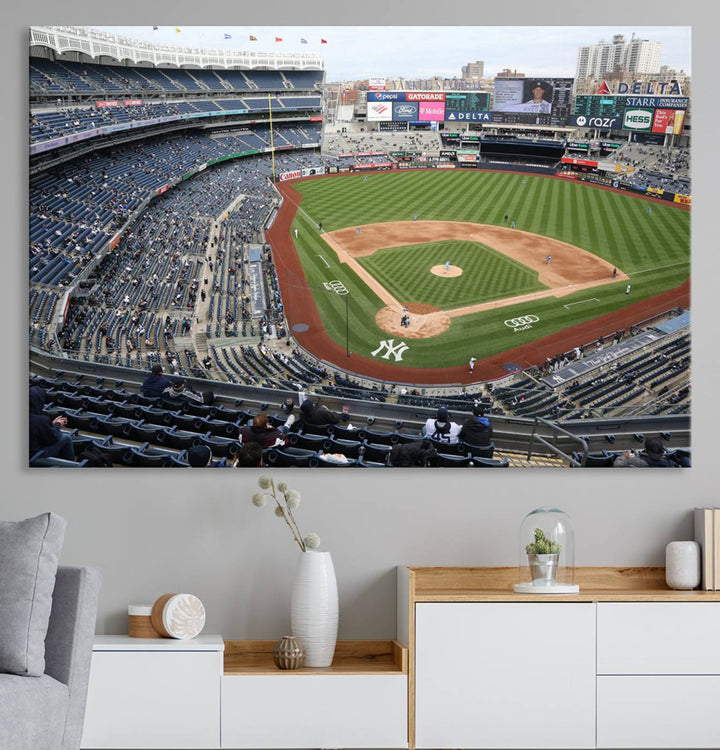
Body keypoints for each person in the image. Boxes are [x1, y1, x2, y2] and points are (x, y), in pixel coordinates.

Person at [29, 385, 75, 462]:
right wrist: (58, 425)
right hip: (32, 458)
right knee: (66, 438)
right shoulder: (40, 420)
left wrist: (50, 425)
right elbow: (53, 439)